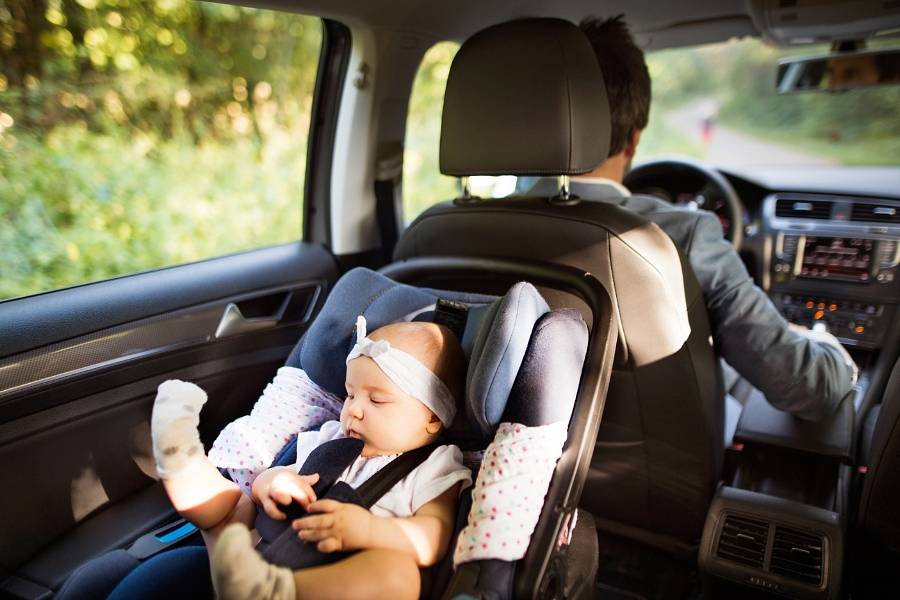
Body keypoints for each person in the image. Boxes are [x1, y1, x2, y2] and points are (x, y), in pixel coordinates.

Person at [524, 16, 857, 425]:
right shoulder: (683, 236)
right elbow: (805, 387)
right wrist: (833, 352)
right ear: (634, 139)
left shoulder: (436, 231)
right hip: (659, 484)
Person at [150, 316, 471, 600]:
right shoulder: (330, 437)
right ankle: (182, 461)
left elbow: (435, 535)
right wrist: (274, 482)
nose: (353, 409)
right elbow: (269, 478)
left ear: (432, 418)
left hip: (334, 579)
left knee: (399, 575)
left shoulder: (436, 463)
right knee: (235, 505)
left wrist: (368, 530)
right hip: (255, 556)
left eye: (376, 400)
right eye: (350, 394)